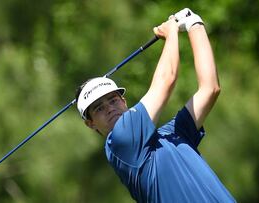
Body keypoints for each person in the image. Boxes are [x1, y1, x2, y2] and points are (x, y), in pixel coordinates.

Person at [75, 8, 236, 203]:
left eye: (113, 100)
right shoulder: (120, 142)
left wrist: (195, 24)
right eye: (99, 108)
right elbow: (166, 80)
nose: (109, 108)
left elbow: (210, 89)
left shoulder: (171, 135)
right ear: (90, 123)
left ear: (124, 102)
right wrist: (171, 33)